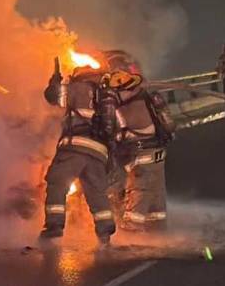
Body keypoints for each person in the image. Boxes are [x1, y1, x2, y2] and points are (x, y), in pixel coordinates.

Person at [39, 54, 118, 246]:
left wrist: (55, 79)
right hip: (99, 152)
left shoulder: (78, 88)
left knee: (58, 182)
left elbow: (52, 96)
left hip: (75, 146)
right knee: (96, 192)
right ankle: (105, 232)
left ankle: (55, 226)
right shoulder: (107, 97)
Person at [101, 50, 176, 232]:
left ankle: (132, 239)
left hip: (141, 156)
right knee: (156, 200)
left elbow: (108, 125)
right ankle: (157, 233)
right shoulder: (147, 94)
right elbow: (169, 124)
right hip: (157, 153)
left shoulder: (118, 98)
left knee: (138, 195)